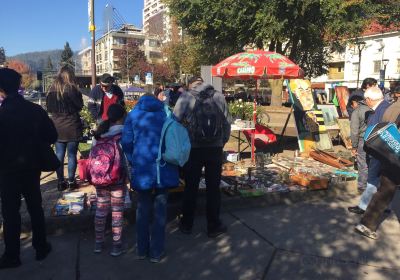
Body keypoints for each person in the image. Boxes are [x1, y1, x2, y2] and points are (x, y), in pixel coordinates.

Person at [0, 68, 57, 269]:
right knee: (35, 208)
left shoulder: (2, 114)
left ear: (1, 90)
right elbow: (52, 136)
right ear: (19, 86)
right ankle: (41, 247)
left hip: (7, 171)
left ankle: (12, 255)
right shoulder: (35, 110)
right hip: (32, 168)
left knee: (10, 213)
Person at [122, 93, 179, 263]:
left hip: (143, 166)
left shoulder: (133, 114)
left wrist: (134, 160)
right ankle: (156, 251)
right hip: (164, 166)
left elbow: (126, 142)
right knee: (161, 209)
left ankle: (141, 250)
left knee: (143, 208)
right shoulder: (167, 112)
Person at [173, 76, 231, 238]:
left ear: (191, 85)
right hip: (215, 148)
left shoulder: (186, 96)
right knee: (213, 188)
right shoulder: (218, 96)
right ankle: (213, 226)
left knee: (191, 186)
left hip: (193, 148)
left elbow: (174, 121)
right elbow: (227, 123)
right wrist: (221, 142)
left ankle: (186, 224)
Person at [355, 86, 400, 239]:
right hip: (396, 155)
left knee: (385, 189)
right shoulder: (392, 107)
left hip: (391, 155)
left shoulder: (391, 107)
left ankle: (366, 224)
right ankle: (366, 224)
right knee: (385, 189)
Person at [91, 104, 127, 256]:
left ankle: (98, 243)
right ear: (121, 117)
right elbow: (126, 159)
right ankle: (116, 245)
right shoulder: (124, 133)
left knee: (101, 210)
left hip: (100, 178)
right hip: (117, 179)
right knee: (117, 212)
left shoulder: (98, 135)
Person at [348, 86, 391, 215]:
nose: (366, 102)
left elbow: (376, 131)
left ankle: (363, 206)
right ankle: (384, 206)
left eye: (366, 99)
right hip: (384, 150)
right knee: (383, 180)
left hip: (379, 150)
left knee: (372, 178)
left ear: (369, 99)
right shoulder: (385, 107)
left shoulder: (380, 111)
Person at [46, 66, 83, 191]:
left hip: (56, 126)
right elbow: (80, 106)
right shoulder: (72, 89)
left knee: (59, 154)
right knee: (72, 155)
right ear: (70, 75)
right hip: (72, 125)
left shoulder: (51, 90)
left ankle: (60, 182)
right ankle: (71, 181)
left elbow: (49, 108)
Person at [349, 95, 371, 192]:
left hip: (363, 139)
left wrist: (354, 146)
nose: (352, 107)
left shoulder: (357, 111)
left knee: (362, 163)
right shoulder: (372, 107)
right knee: (373, 162)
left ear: (354, 102)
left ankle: (362, 186)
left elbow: (354, 131)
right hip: (375, 138)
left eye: (351, 105)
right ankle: (372, 184)